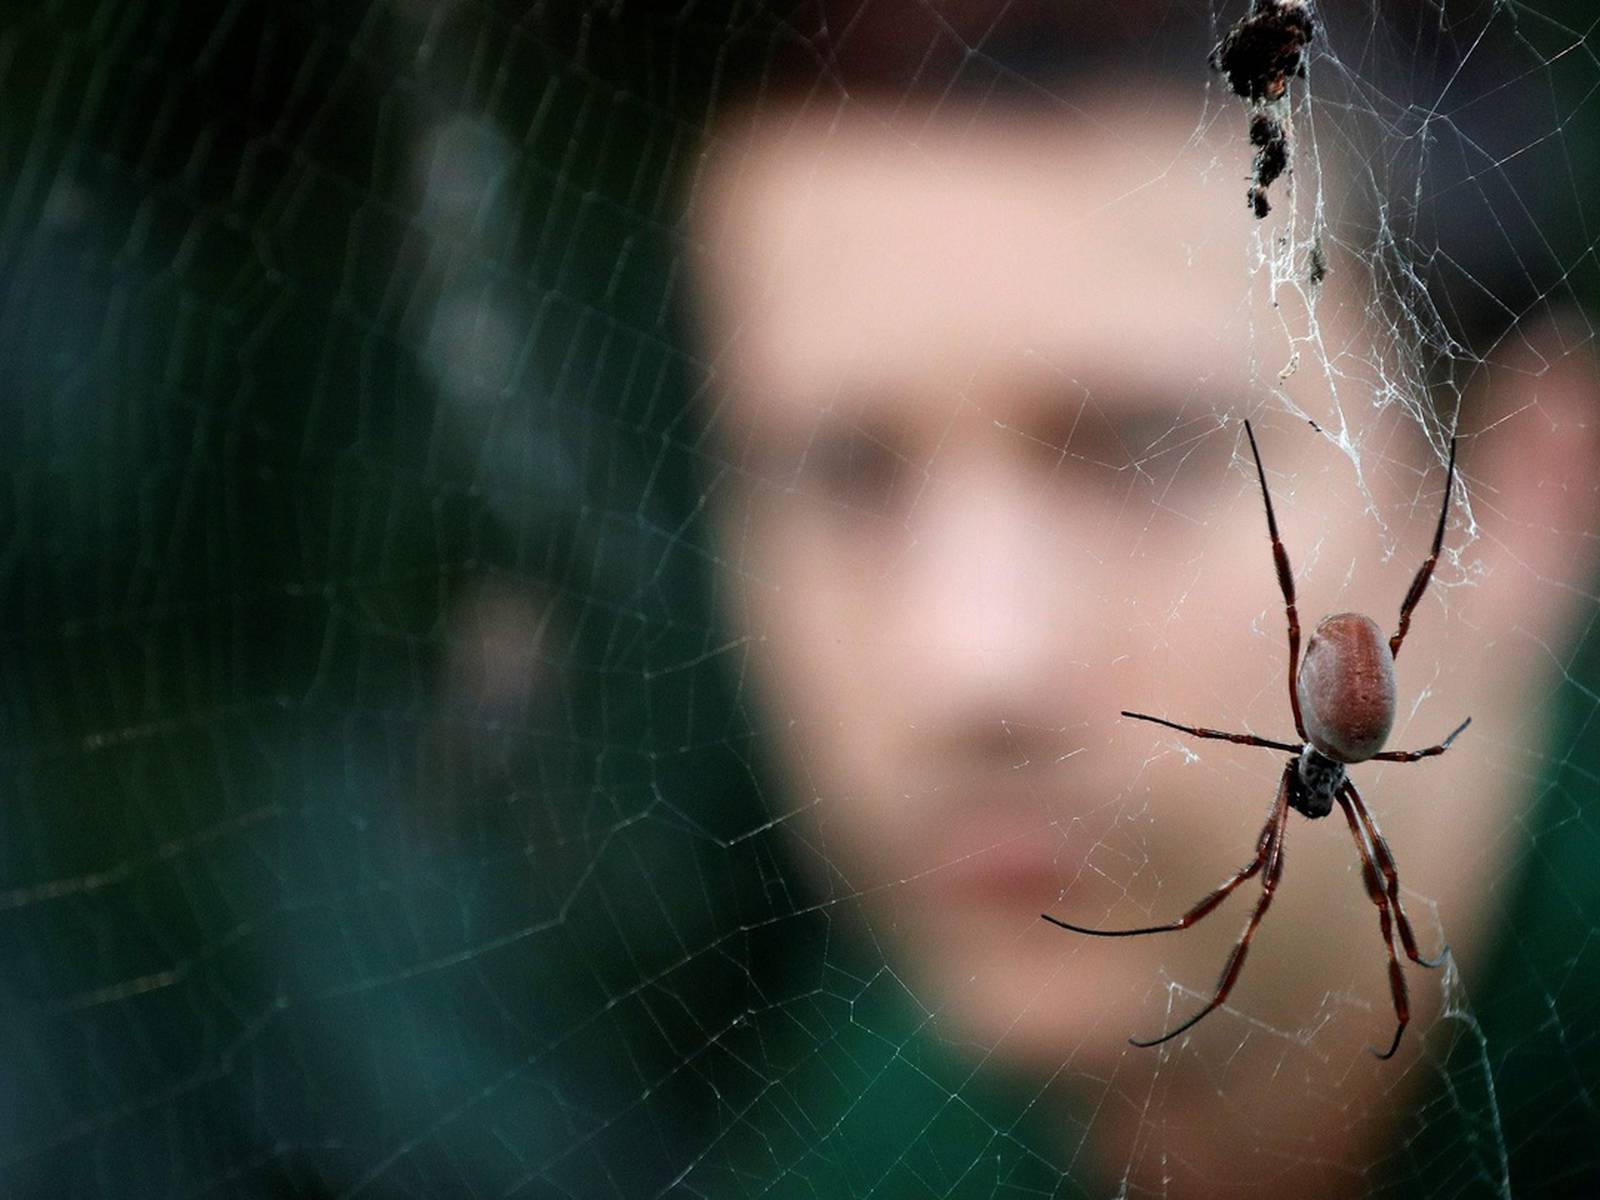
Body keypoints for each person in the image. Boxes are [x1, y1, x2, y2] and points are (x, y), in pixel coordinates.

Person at [685, 78, 1600, 1195]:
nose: (974, 662)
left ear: (1523, 490)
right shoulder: (866, 1142)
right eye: (846, 470)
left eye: (1148, 445)